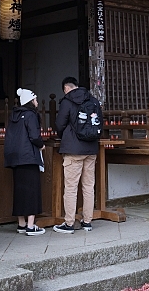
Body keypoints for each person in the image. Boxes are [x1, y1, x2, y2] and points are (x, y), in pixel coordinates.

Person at [52, 76, 101, 233]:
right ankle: (87, 222)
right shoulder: (93, 100)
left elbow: (59, 124)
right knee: (88, 186)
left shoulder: (67, 101)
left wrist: (64, 135)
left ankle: (69, 223)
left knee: (71, 187)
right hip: (91, 149)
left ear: (66, 88)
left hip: (73, 150)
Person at [3, 87, 46, 236]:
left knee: (20, 191)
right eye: (35, 100)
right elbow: (34, 136)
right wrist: (42, 145)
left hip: (15, 158)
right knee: (32, 191)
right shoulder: (30, 115)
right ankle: (31, 225)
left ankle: (21, 223)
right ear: (30, 101)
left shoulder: (14, 116)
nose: (37, 102)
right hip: (28, 157)